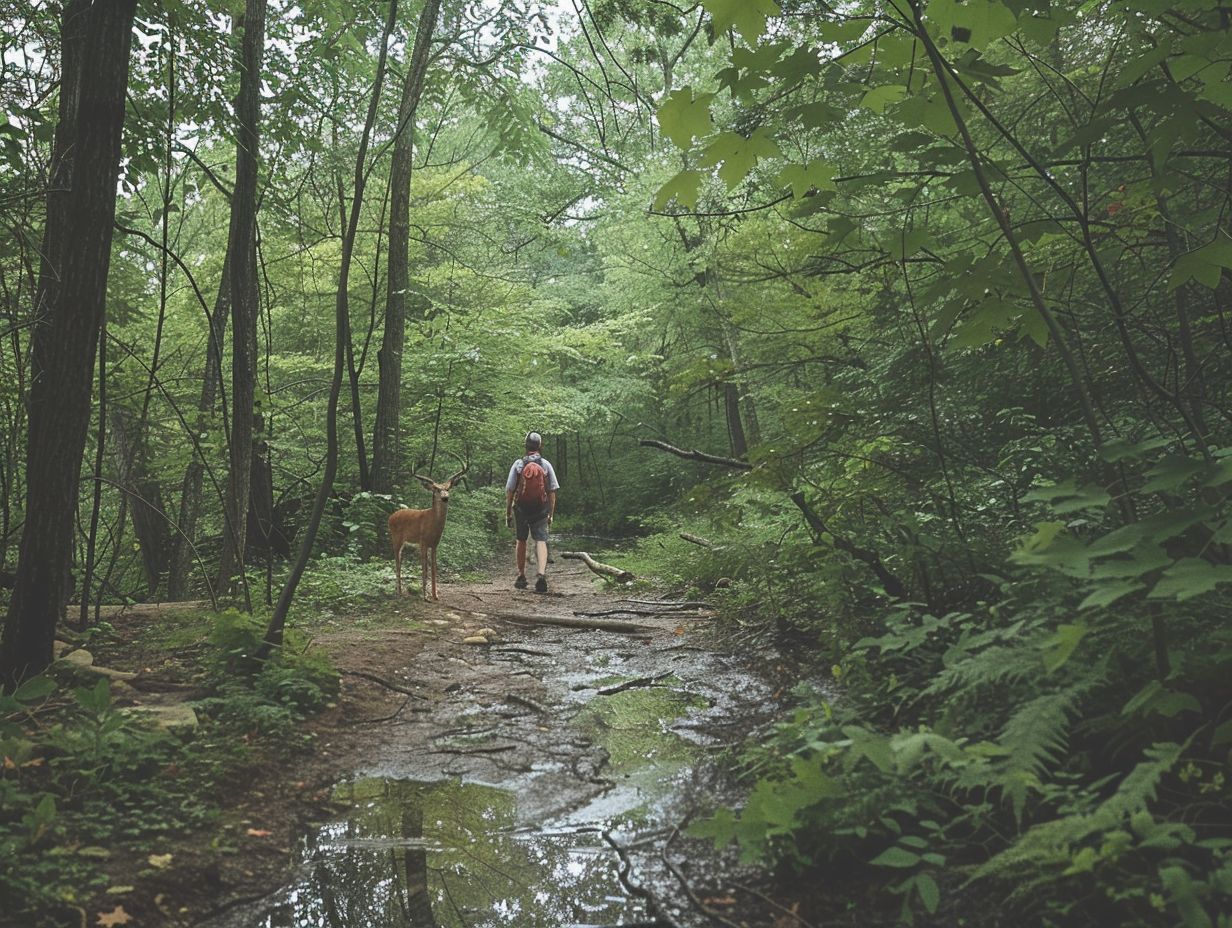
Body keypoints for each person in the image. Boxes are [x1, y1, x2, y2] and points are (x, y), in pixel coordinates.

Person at [505, 431, 559, 593]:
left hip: (521, 509)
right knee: (541, 540)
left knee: (521, 540)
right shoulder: (546, 465)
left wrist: (508, 512)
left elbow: (510, 491)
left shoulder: (518, 465)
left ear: (526, 446)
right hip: (540, 509)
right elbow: (552, 491)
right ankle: (541, 575)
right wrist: (550, 513)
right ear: (540, 446)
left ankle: (521, 576)